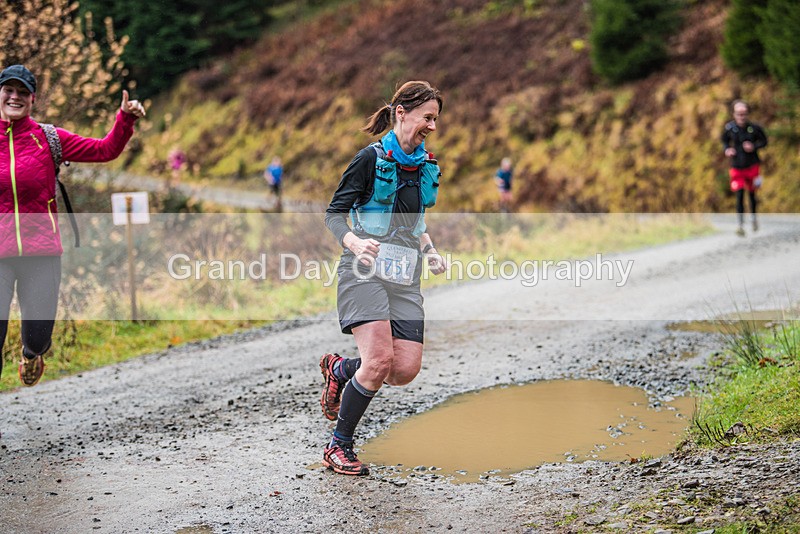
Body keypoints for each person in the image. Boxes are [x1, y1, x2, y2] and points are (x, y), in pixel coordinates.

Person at [320, 81, 447, 475]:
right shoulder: (368, 160)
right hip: (363, 271)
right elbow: (333, 214)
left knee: (404, 369)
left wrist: (430, 250)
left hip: (405, 275)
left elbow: (416, 220)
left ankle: (341, 370)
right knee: (377, 361)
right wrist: (354, 243)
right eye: (427, 117)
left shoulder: (426, 165)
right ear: (401, 113)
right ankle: (339, 446)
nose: (432, 126)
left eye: (436, 119)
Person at [0, 64, 146, 386]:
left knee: (38, 337)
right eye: (9, 90)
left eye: (22, 92)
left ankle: (31, 354)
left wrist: (125, 119)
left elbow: (104, 150)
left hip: (40, 253)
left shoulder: (47, 138)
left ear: (32, 99)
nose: (15, 97)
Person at [721, 100, 767, 236]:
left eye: (744, 114)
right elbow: (724, 141)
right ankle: (740, 224)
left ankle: (753, 218)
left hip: (752, 165)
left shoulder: (754, 128)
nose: (742, 116)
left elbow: (764, 141)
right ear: (734, 114)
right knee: (739, 194)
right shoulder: (729, 128)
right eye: (739, 114)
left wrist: (754, 146)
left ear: (747, 114)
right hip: (736, 166)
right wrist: (727, 150)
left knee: (752, 193)